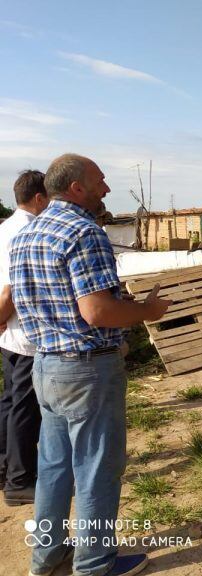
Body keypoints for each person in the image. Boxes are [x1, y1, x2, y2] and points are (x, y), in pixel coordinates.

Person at [10, 154, 170, 576]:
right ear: (77, 187)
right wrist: (148, 312)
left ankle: (47, 558)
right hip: (86, 370)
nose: (107, 189)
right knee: (98, 468)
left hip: (44, 366)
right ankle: (96, 565)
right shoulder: (84, 232)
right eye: (100, 180)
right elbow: (96, 312)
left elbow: (55, 303)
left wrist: (122, 307)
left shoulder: (26, 236)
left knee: (53, 468)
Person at [0, 170, 49, 507]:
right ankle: (19, 480)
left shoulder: (5, 227)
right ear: (38, 198)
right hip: (24, 333)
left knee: (9, 402)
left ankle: (5, 467)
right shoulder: (28, 230)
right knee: (25, 408)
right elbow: (12, 289)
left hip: (10, 335)